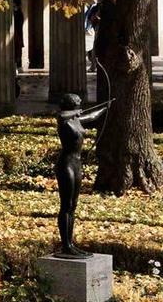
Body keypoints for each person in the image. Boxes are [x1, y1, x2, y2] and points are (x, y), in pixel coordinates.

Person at [53, 91, 111, 257]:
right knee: (66, 205)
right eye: (77, 104)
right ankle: (65, 245)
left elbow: (92, 116)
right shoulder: (63, 120)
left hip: (76, 164)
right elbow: (62, 116)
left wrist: (105, 108)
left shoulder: (76, 119)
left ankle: (70, 244)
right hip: (66, 165)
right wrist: (74, 113)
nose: (80, 107)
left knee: (73, 206)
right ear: (71, 105)